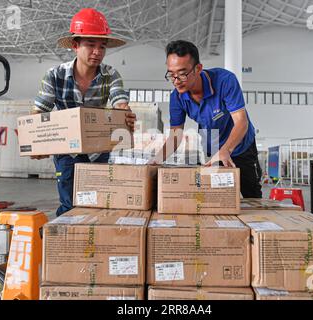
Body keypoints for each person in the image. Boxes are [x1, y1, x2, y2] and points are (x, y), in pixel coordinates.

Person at [32, 8, 136, 216]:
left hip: (98, 149)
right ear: (75, 45)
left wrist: (126, 115)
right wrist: (35, 141)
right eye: (90, 45)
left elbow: (119, 102)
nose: (97, 52)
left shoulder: (110, 75)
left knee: (96, 204)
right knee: (69, 204)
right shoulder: (54, 75)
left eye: (102, 46)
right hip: (66, 152)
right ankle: (64, 243)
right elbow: (39, 112)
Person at [150, 40, 262, 198]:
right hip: (212, 148)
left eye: (182, 74)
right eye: (171, 74)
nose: (176, 81)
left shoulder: (225, 81)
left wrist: (226, 151)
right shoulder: (177, 97)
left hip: (241, 147)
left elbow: (241, 122)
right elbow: (176, 135)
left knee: (251, 194)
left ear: (198, 68)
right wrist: (157, 158)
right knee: (216, 198)